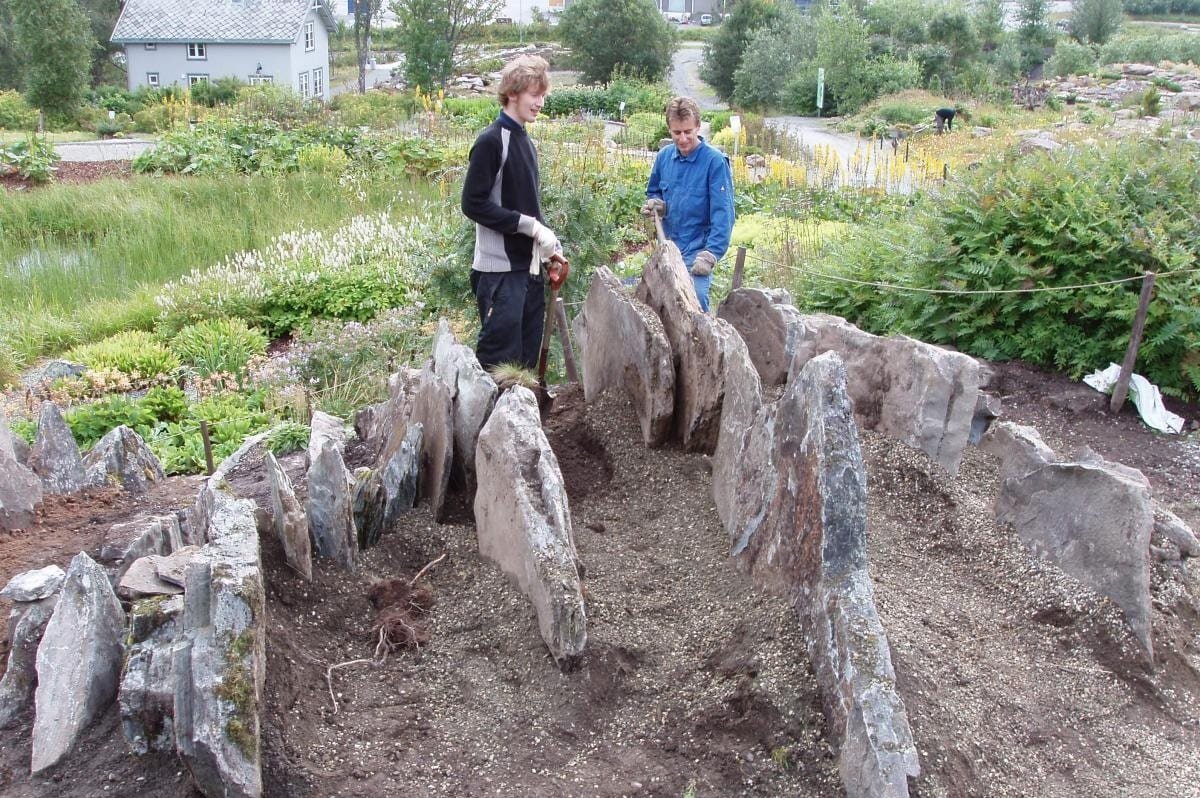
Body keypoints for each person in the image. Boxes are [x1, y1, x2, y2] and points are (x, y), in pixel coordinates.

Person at [461, 54, 567, 372]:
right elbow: (473, 203)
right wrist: (531, 227)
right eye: (535, 95)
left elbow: (527, 206)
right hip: (499, 275)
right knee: (499, 367)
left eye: (543, 95)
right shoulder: (492, 141)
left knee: (524, 368)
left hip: (528, 271)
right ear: (512, 93)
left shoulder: (525, 141)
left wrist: (550, 251)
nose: (540, 103)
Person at [641, 96, 735, 313]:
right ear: (669, 130)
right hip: (669, 248)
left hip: (697, 251)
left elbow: (723, 214)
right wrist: (657, 205)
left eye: (688, 132)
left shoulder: (715, 162)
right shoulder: (664, 157)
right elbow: (654, 191)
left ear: (698, 127)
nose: (682, 139)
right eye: (676, 133)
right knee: (655, 303)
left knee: (695, 299)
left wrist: (711, 254)